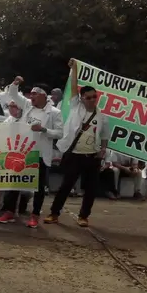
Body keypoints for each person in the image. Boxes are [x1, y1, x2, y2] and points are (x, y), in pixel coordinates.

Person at [44, 59, 110, 227]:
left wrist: (103, 149)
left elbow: (104, 135)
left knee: (90, 189)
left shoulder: (102, 116)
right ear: (82, 98)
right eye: (88, 97)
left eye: (94, 97)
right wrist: (75, 69)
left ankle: (84, 216)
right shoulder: (76, 106)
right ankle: (54, 213)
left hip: (92, 157)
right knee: (66, 186)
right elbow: (74, 87)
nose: (92, 100)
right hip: (74, 155)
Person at [0, 76, 63, 228]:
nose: (31, 96)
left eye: (35, 94)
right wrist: (15, 83)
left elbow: (60, 133)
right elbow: (13, 94)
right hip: (23, 152)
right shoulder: (27, 106)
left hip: (40, 154)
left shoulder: (54, 112)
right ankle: (10, 212)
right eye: (31, 93)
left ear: (44, 96)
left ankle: (35, 215)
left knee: (38, 187)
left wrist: (43, 130)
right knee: (14, 184)